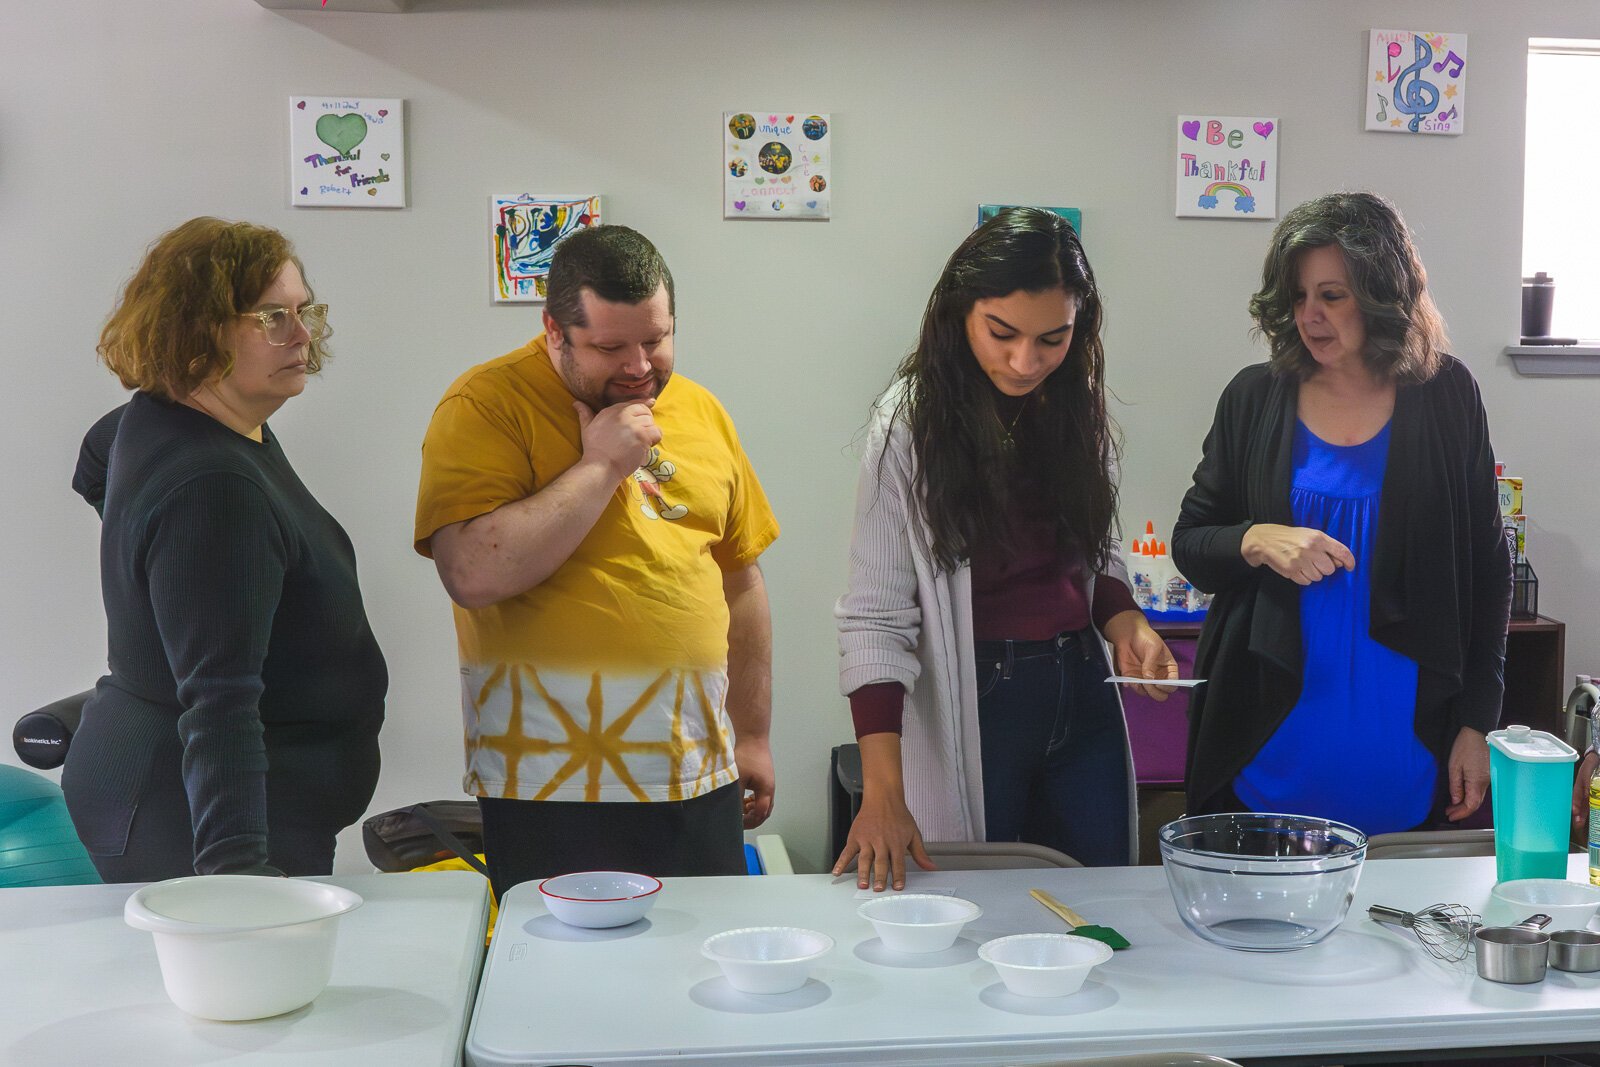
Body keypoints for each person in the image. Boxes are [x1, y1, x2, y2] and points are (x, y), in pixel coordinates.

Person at [415, 224, 779, 900]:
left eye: (657, 338)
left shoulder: (702, 410)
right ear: (555, 330)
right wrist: (604, 463)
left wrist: (752, 733)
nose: (640, 365)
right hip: (550, 782)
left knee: (700, 973)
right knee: (563, 985)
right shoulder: (487, 405)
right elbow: (471, 572)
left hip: (697, 769)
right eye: (610, 347)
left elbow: (741, 581)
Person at [833, 207, 1178, 892]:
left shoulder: (1075, 404)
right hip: (983, 694)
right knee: (982, 906)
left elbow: (1095, 554)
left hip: (1078, 685)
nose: (1026, 362)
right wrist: (882, 791)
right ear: (960, 313)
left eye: (1053, 339)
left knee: (1100, 895)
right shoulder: (909, 423)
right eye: (1002, 333)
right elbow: (875, 616)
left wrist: (1126, 620)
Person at [1174, 192, 1513, 836]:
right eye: (1298, 297)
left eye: (1332, 295)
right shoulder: (1254, 396)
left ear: (1383, 294)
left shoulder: (1446, 394)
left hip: (1408, 740)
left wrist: (1478, 719)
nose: (1310, 316)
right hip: (1268, 738)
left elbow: (1488, 571)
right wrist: (1256, 539)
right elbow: (1192, 543)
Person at [63, 217, 387, 882]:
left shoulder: (178, 418)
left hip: (233, 800)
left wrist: (159, 584)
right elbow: (220, 705)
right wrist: (237, 882)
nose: (301, 335)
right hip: (197, 825)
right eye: (272, 317)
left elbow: (95, 460)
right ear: (198, 330)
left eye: (303, 311)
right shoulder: (214, 484)